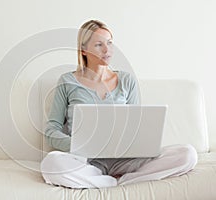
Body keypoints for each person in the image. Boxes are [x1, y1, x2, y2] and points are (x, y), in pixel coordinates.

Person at [40, 19, 197, 189]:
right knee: (50, 164)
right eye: (99, 45)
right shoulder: (67, 81)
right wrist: (77, 145)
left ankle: (125, 179)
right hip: (87, 162)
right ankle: (110, 182)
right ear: (84, 50)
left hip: (126, 161)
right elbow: (51, 131)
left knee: (188, 154)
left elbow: (138, 127)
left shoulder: (126, 80)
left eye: (109, 43)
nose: (107, 50)